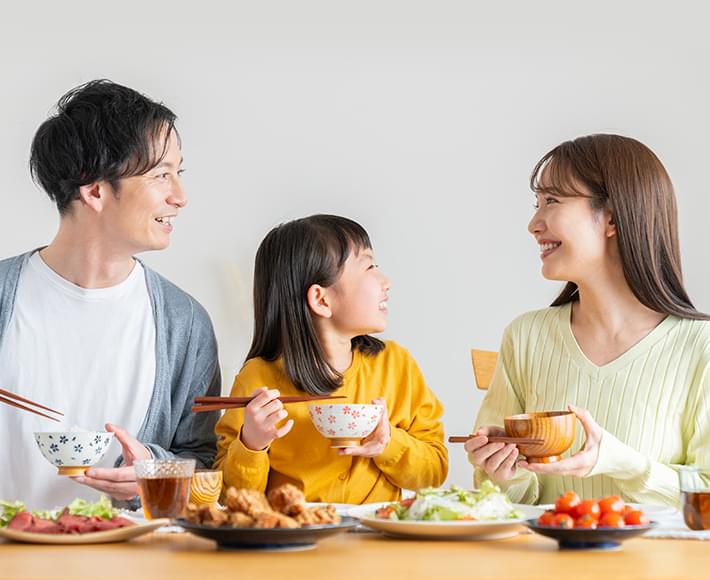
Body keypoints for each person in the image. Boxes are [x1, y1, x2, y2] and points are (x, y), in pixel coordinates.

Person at [0, 80, 221, 508]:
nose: (180, 196)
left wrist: (152, 473)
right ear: (95, 189)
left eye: (178, 173)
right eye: (161, 175)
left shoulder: (185, 323)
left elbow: (203, 462)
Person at [467, 134, 710, 508]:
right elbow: (501, 503)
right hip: (545, 563)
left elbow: (706, 493)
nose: (534, 223)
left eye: (552, 200)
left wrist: (623, 464)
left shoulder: (701, 346)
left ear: (611, 217)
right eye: (537, 203)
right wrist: (503, 475)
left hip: (660, 566)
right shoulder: (526, 336)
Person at [214, 214, 447, 503]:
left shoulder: (396, 365)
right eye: (370, 266)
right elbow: (230, 496)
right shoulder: (258, 379)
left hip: (376, 540)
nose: (386, 281)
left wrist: (388, 444)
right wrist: (252, 443)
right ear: (322, 300)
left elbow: (434, 472)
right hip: (296, 540)